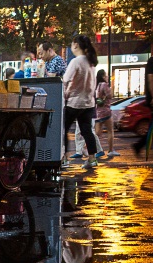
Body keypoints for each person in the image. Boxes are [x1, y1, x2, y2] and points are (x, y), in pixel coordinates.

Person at [62, 35, 100, 169]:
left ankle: (64, 158)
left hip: (74, 102)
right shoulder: (90, 62)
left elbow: (65, 80)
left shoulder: (76, 61)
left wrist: (66, 93)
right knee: (87, 131)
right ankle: (92, 159)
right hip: (88, 103)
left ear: (76, 45)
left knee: (63, 129)